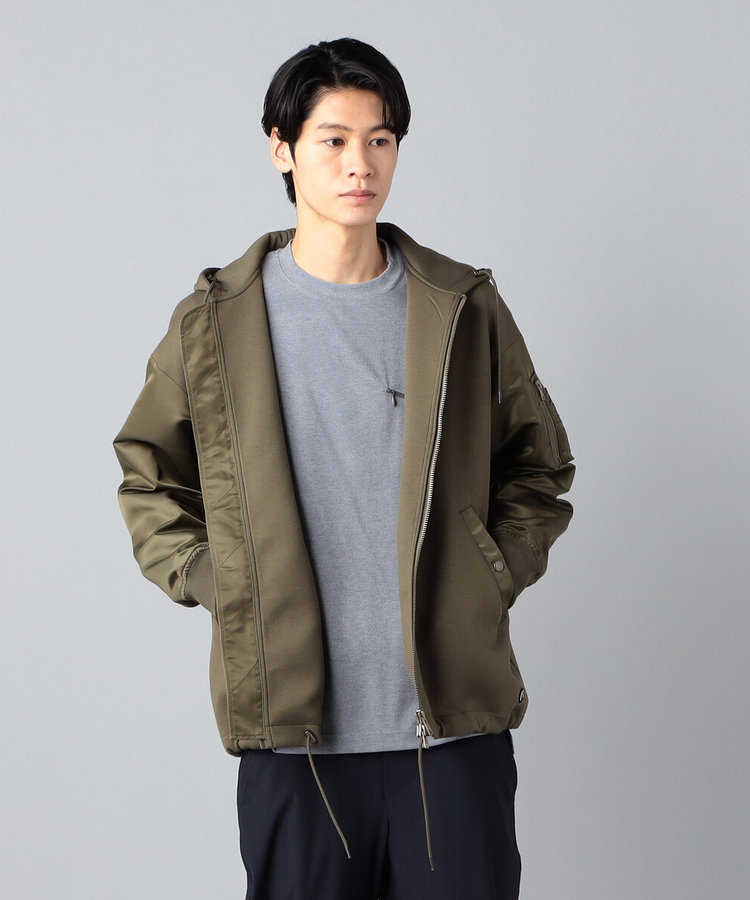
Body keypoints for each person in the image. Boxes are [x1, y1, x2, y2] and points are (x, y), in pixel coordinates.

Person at [113, 36, 575, 900]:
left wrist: (488, 571)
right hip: (295, 743)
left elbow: (538, 467)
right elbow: (149, 475)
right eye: (333, 140)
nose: (360, 163)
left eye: (380, 139)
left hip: (452, 739)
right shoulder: (217, 321)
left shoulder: (461, 307)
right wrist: (227, 581)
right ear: (282, 149)